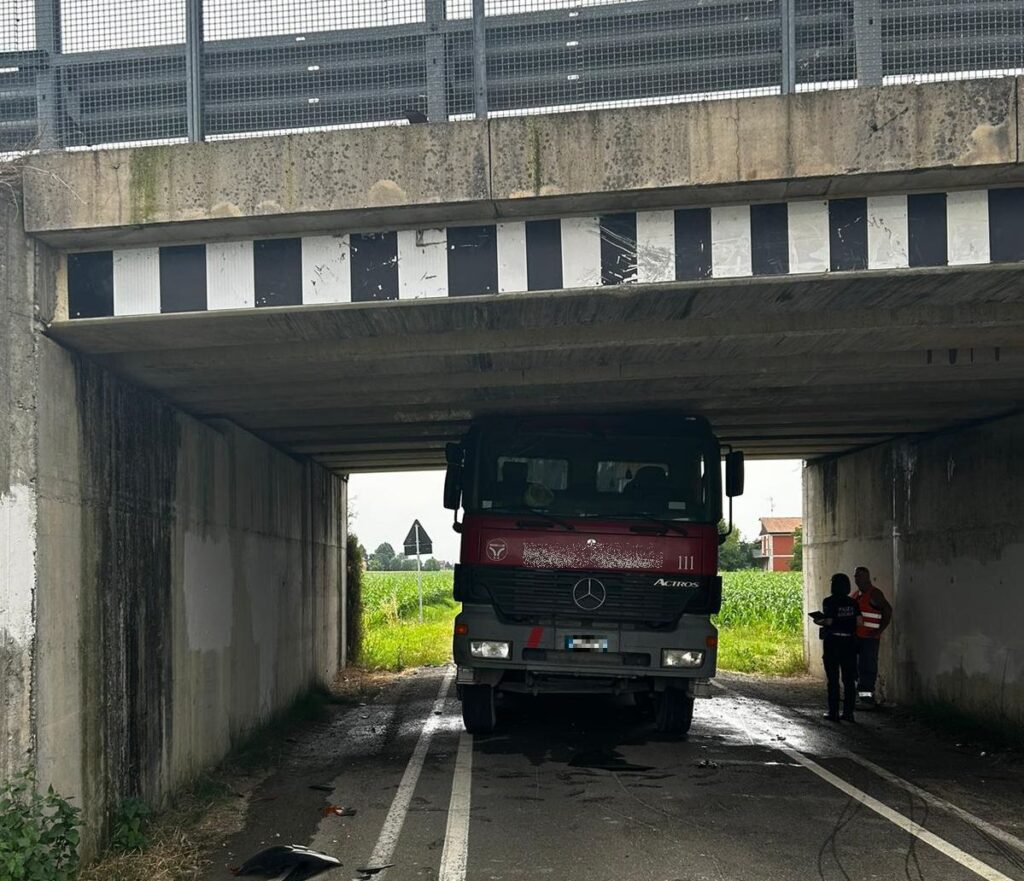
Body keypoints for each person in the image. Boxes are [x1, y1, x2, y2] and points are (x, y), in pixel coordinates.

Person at [810, 573, 859, 722]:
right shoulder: (853, 602)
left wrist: (818, 621)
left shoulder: (829, 601)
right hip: (850, 643)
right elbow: (860, 622)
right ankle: (849, 713)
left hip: (833, 643)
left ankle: (834, 713)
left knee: (833, 679)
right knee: (849, 680)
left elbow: (829, 621)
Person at [852, 566, 893, 706]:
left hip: (869, 639)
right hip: (857, 638)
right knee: (856, 668)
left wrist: (878, 631)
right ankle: (861, 696)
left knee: (867, 668)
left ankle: (867, 698)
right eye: (856, 576)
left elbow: (888, 610)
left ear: (867, 577)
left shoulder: (874, 594)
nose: (857, 578)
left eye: (860, 576)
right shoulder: (855, 595)